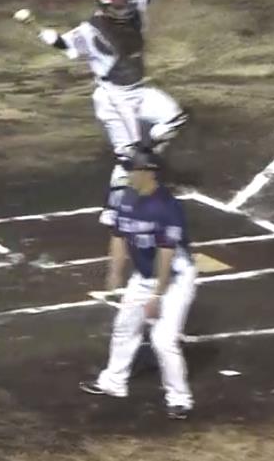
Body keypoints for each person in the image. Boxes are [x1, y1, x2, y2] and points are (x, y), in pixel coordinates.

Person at [24, 0, 190, 226]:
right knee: (131, 158)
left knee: (174, 118)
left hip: (139, 90)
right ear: (106, 6)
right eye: (117, 3)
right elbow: (65, 45)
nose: (123, 6)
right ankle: (113, 209)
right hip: (114, 99)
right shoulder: (90, 31)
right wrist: (41, 32)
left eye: (123, 0)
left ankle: (144, 156)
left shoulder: (133, 9)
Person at [79, 147, 196, 420]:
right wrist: (114, 273)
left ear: (149, 172)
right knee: (124, 326)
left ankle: (179, 399)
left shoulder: (167, 207)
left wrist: (157, 295)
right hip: (143, 277)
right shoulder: (126, 198)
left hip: (174, 280)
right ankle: (113, 382)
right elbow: (118, 236)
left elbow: (166, 254)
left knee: (163, 339)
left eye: (133, 169)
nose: (128, 173)